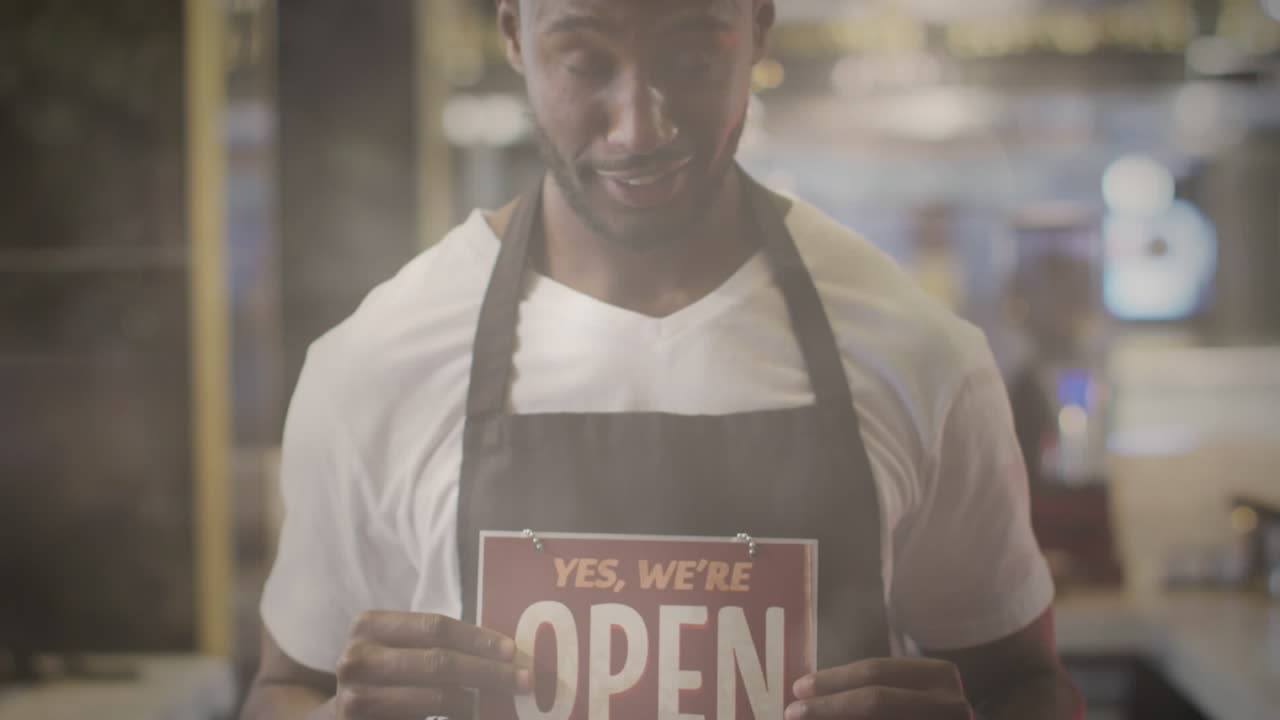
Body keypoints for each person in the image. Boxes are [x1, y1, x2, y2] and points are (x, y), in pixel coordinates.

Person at [241, 1, 1084, 718]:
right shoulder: (376, 363)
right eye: (582, 61)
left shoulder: (918, 354)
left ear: (757, 26)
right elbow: (288, 685)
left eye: (690, 57)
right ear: (512, 34)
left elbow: (1024, 684)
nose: (639, 126)